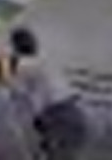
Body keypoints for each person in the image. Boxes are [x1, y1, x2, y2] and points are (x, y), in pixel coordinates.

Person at [10, 27, 88, 160]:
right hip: (76, 113)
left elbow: (21, 103)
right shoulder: (46, 61)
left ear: (15, 48)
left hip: (56, 117)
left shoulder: (23, 68)